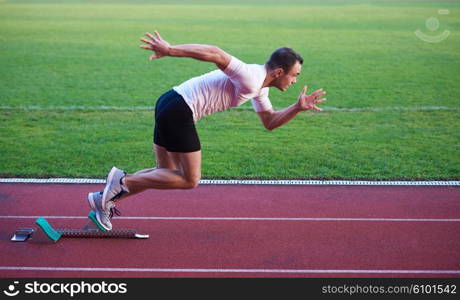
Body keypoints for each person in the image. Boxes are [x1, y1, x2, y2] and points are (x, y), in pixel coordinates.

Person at [87, 31, 327, 230]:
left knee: (165, 173)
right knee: (190, 179)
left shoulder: (259, 88)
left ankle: (104, 199)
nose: (295, 81)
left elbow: (270, 122)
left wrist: (297, 107)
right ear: (278, 73)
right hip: (181, 109)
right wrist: (170, 50)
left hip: (169, 101)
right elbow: (215, 53)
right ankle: (120, 181)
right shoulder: (252, 77)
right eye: (294, 75)